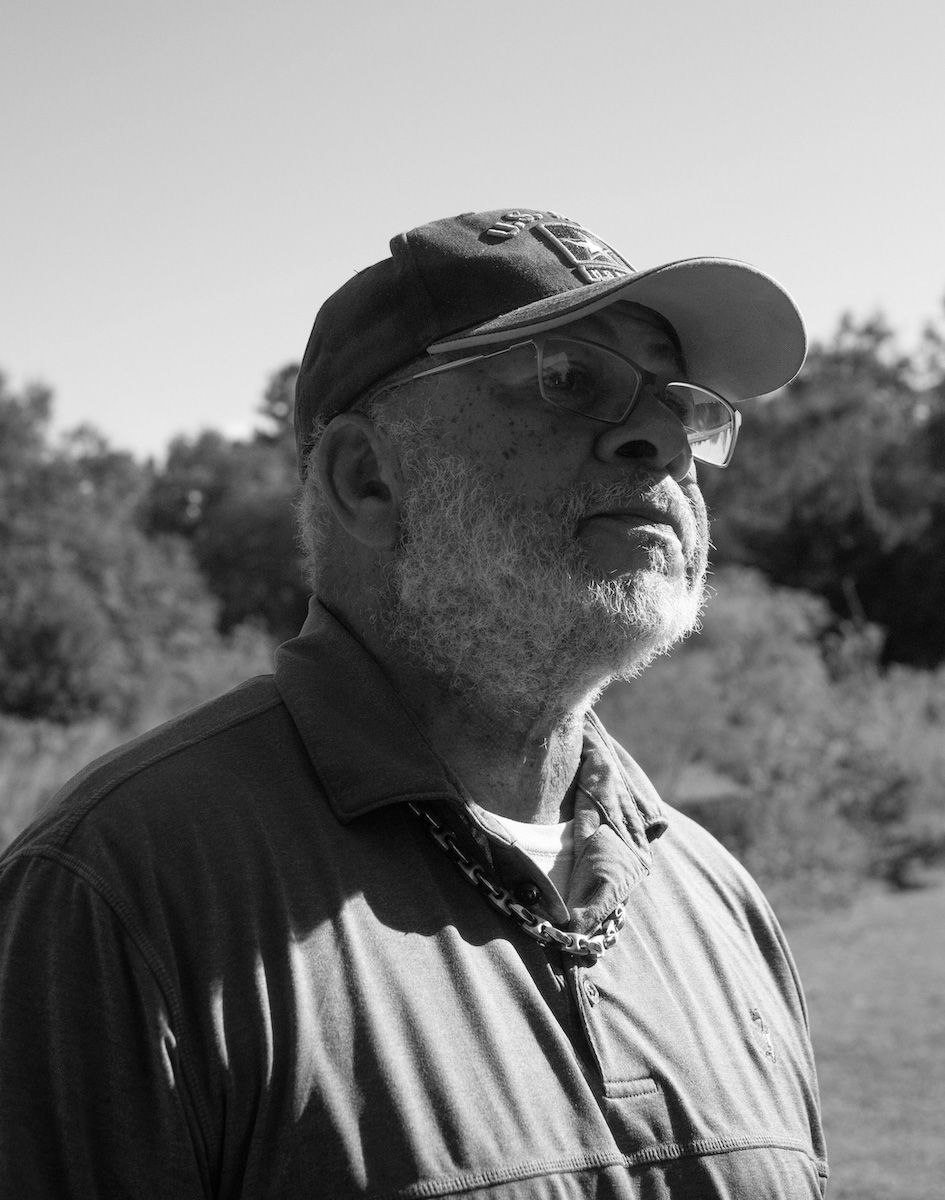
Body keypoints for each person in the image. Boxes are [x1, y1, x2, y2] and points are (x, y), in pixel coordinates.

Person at [0, 207, 828, 1198]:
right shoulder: (122, 896)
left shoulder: (718, 900)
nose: (658, 439)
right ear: (367, 480)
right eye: (571, 380)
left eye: (682, 405)